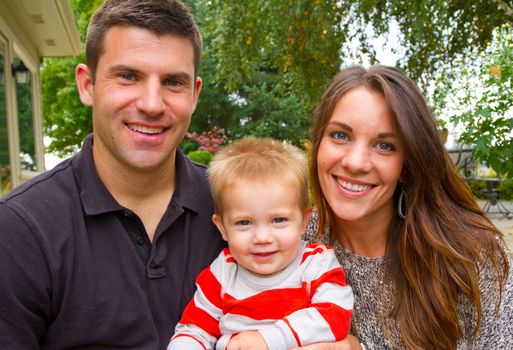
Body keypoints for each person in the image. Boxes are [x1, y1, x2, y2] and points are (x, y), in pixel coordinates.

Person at [0, 0, 225, 348]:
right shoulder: (20, 230)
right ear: (87, 85)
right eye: (128, 76)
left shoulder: (234, 206)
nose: (152, 104)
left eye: (172, 82)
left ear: (194, 94)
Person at [305, 65, 513, 349]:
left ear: (407, 166)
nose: (356, 162)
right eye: (340, 136)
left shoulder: (470, 257)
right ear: (318, 144)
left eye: (384, 145)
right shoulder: (283, 244)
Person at [168, 137, 354, 350]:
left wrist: (268, 340)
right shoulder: (223, 272)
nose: (262, 238)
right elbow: (195, 329)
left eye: (278, 220)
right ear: (222, 227)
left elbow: (335, 316)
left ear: (304, 221)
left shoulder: (315, 264)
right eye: (244, 222)